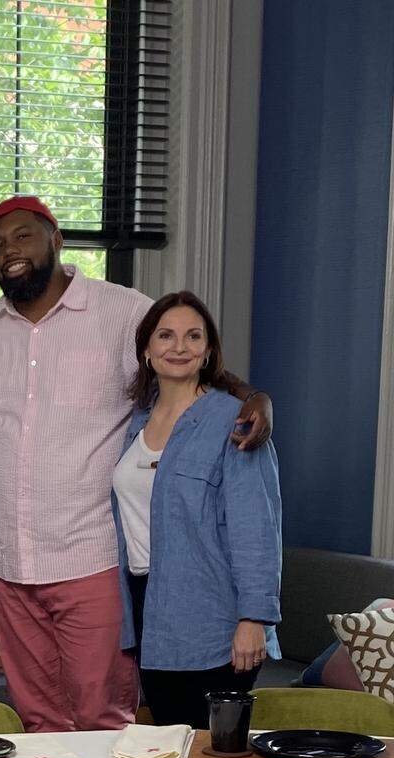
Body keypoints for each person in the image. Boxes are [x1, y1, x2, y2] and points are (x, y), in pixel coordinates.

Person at [0, 195, 273, 732]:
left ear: (57, 240)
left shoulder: (122, 312)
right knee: (37, 722)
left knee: (104, 719)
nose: (9, 251)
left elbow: (187, 358)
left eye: (22, 236)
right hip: (9, 564)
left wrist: (256, 399)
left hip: (92, 559)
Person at [112, 291, 281, 728]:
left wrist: (253, 618)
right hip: (149, 612)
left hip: (215, 618)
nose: (179, 346)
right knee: (171, 752)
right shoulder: (135, 421)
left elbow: (257, 528)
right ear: (147, 349)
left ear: (207, 351)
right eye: (166, 335)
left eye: (193, 336)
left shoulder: (235, 422)